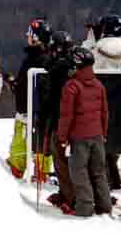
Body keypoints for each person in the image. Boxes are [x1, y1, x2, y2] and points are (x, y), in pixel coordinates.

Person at [57, 46, 112, 218]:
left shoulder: (71, 86)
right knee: (99, 173)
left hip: (79, 138)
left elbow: (66, 116)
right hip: (97, 136)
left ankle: (85, 208)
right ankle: (105, 206)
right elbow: (105, 113)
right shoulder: (98, 85)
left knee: (79, 173)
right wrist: (103, 133)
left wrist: (62, 137)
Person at [83, 13, 121, 190]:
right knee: (113, 136)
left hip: (98, 96)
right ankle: (114, 175)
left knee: (98, 137)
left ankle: (103, 178)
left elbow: (83, 58)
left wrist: (91, 39)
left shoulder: (97, 48)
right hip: (118, 95)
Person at [7, 19, 54, 181]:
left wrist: (16, 85)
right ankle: (42, 172)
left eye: (30, 35)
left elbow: (29, 86)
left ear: (35, 38)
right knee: (42, 145)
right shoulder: (48, 58)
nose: (27, 37)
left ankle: (18, 168)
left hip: (28, 110)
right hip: (42, 113)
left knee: (21, 143)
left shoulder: (34, 59)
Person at [41, 31, 76, 213]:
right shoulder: (73, 67)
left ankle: (69, 198)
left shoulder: (59, 70)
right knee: (65, 161)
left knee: (61, 161)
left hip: (61, 119)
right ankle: (66, 193)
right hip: (71, 119)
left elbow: (53, 98)